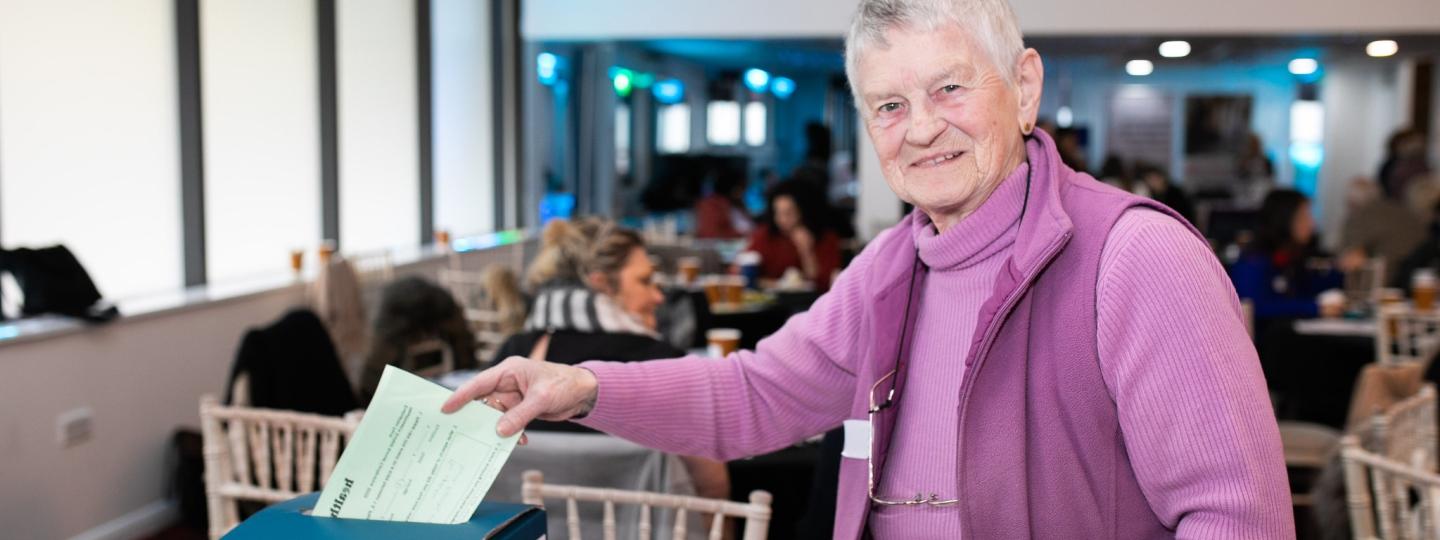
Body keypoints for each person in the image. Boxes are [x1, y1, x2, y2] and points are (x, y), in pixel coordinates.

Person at [445, 1, 1292, 537]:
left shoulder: (1137, 257)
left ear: (1024, 87)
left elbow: (1237, 517)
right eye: (890, 105)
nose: (921, 129)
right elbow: (753, 396)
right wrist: (587, 388)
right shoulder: (892, 266)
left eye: (950, 90)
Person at [491, 218, 732, 505]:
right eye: (645, 281)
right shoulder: (664, 366)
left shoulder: (514, 359)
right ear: (602, 284)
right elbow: (713, 493)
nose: (658, 296)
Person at [1230, 189, 1342, 321]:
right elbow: (1257, 307)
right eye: (1304, 217)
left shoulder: (1291, 259)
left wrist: (1343, 271)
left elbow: (1308, 287)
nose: (1312, 224)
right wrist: (1314, 308)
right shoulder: (1253, 262)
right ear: (1284, 220)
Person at [744, 180, 843, 292]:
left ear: (804, 211)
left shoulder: (826, 237)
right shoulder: (765, 235)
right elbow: (741, 274)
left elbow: (825, 284)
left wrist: (806, 251)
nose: (782, 220)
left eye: (789, 213)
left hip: (809, 303)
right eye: (778, 213)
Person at [694, 168, 753, 240]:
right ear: (733, 188)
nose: (743, 193)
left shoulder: (736, 205)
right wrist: (743, 234)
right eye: (741, 188)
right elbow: (711, 233)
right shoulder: (712, 205)